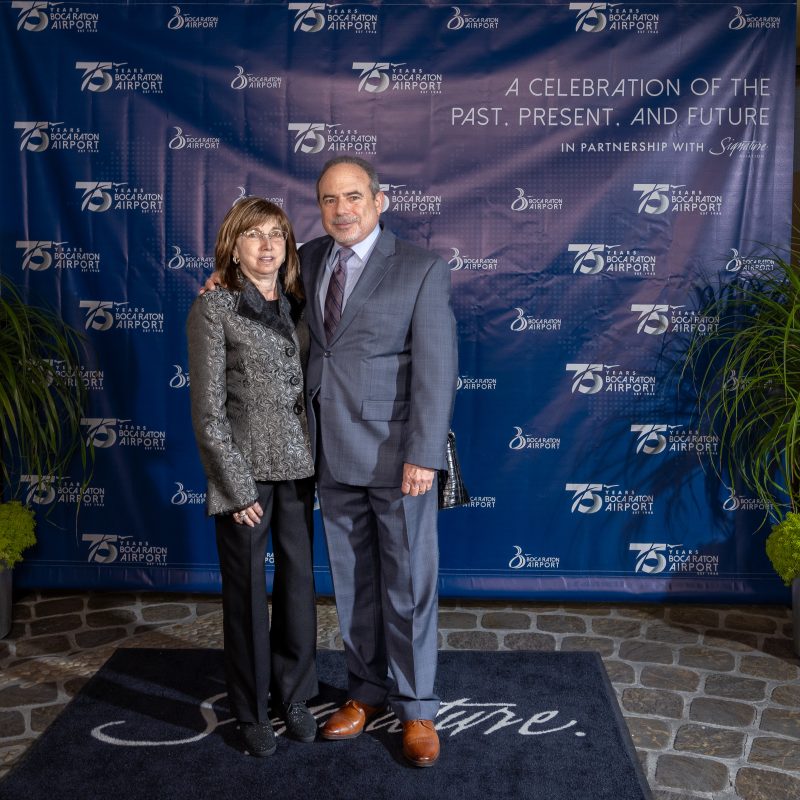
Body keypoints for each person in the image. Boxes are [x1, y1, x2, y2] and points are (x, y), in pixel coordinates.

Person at [303, 157, 458, 767]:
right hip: (328, 450)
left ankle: (417, 708)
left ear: (379, 200)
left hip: (398, 458)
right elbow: (261, 292)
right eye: (329, 199)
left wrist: (424, 454)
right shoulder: (307, 259)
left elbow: (437, 368)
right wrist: (220, 282)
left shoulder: (421, 268)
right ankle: (365, 692)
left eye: (352, 197)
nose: (341, 209)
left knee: (409, 586)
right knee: (353, 584)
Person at [187, 197, 319, 758]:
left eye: (276, 235)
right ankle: (251, 709)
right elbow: (208, 412)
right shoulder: (214, 307)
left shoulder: (299, 300)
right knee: (245, 594)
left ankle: (295, 695)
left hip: (299, 469)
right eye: (253, 235)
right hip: (245, 475)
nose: (267, 245)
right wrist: (235, 488)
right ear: (232, 246)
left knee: (298, 587)